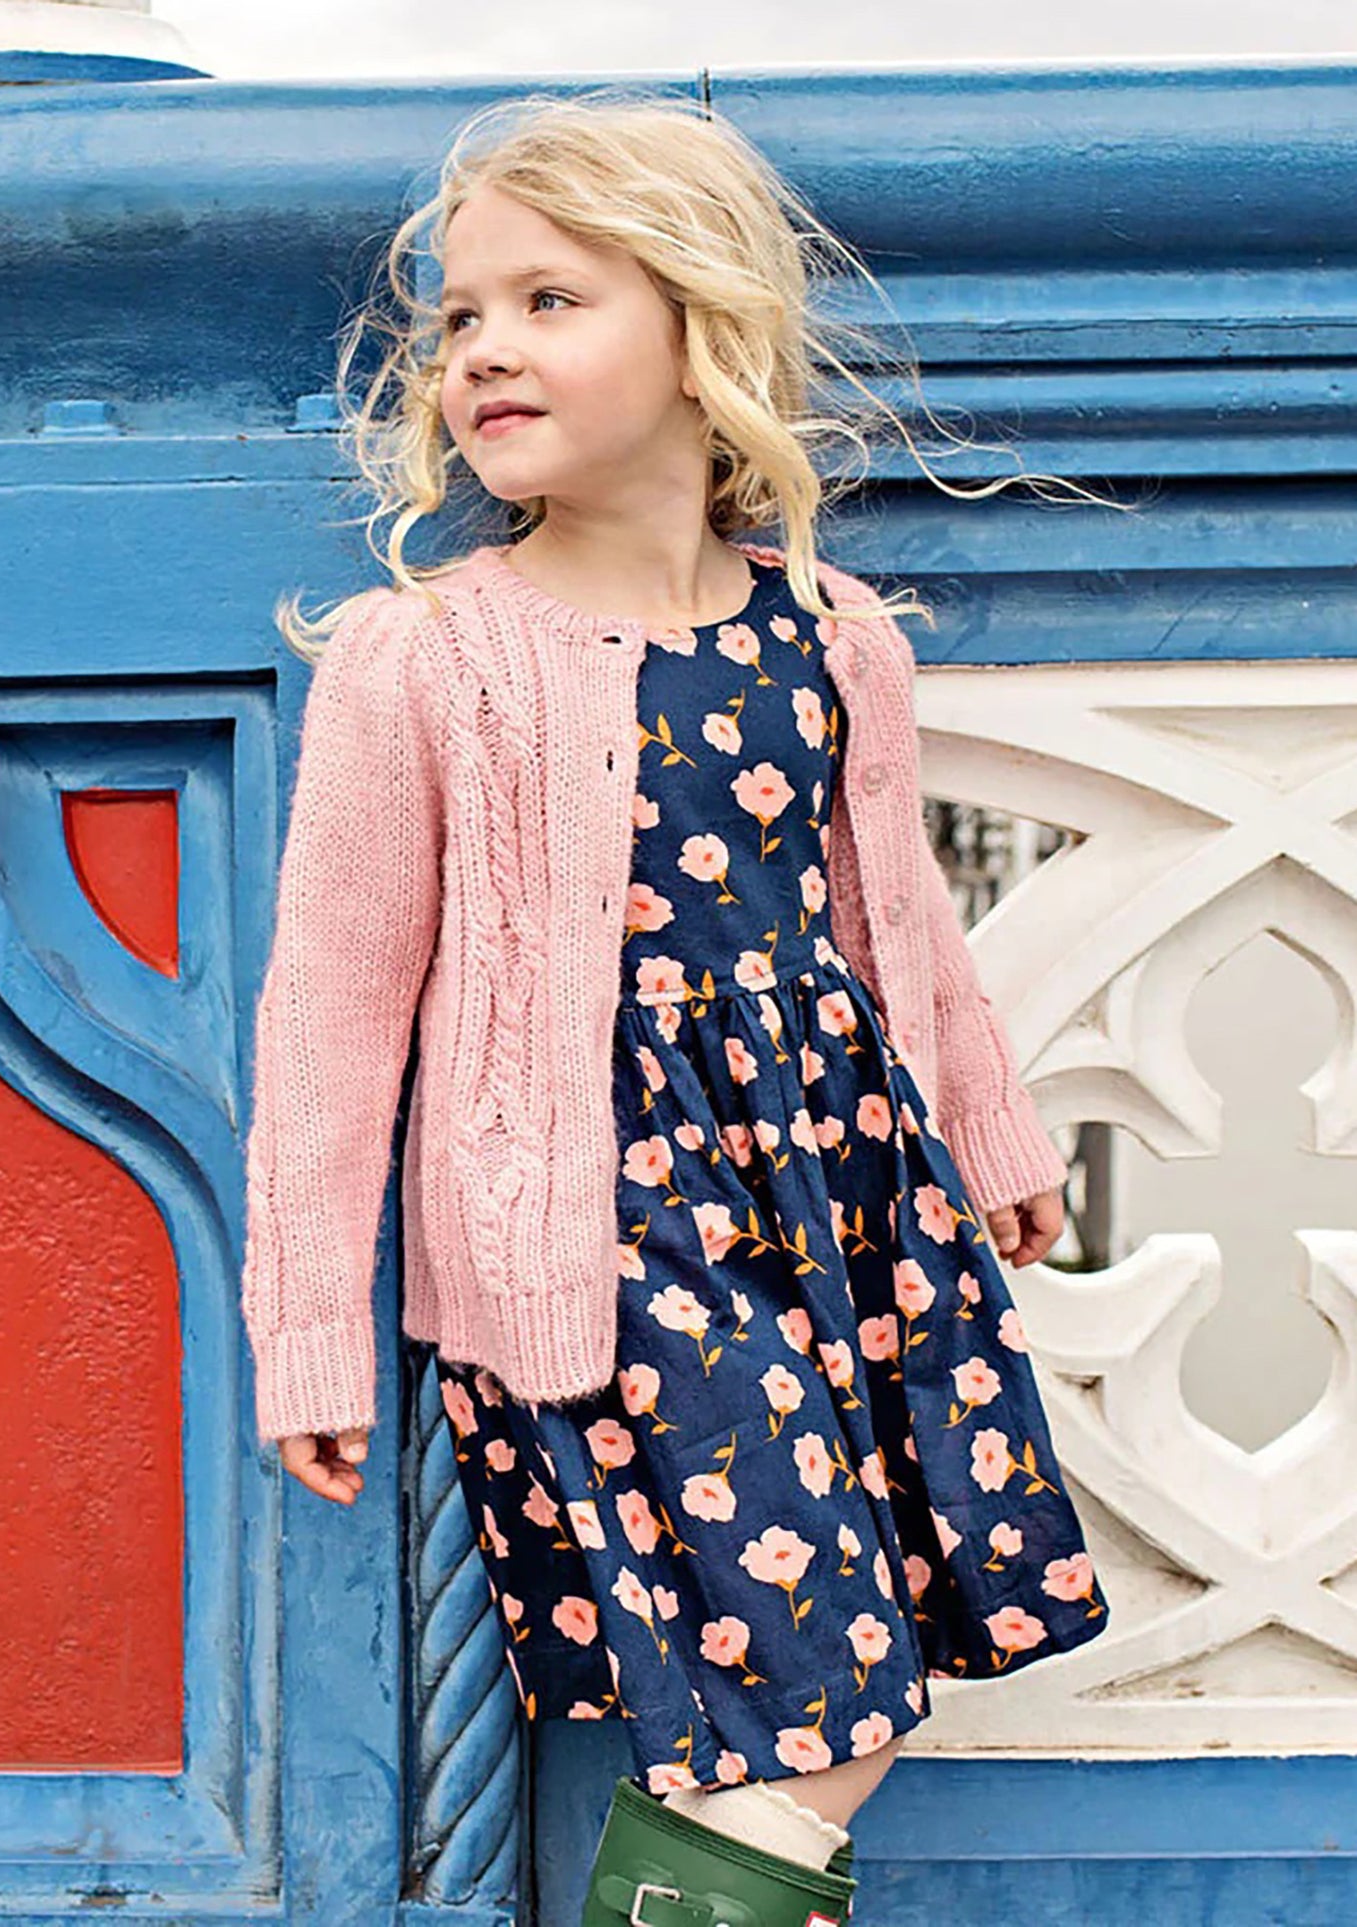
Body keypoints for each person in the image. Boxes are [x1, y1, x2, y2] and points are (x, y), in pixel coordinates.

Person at [240, 87, 1119, 1927]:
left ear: (699, 328)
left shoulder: (832, 633)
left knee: (828, 1676)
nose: (483, 351)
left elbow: (897, 924)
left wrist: (987, 1134)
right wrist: (310, 1332)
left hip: (850, 1210)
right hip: (611, 1247)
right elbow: (328, 1023)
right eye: (460, 317)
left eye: (549, 301)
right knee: (808, 1684)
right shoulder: (430, 657)